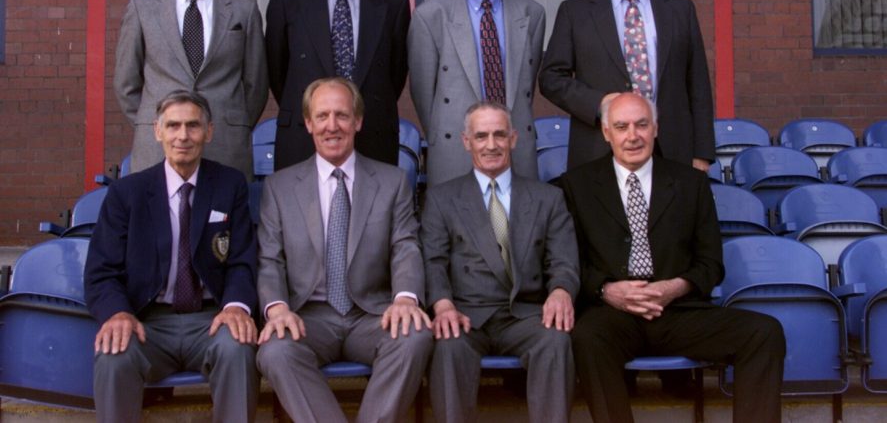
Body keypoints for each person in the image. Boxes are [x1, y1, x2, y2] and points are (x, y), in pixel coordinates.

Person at [561, 92, 785, 423]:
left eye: (641, 125)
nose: (632, 136)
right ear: (607, 132)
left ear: (655, 128)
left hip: (678, 311)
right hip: (612, 313)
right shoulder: (575, 186)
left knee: (765, 332)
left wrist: (674, 288)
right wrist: (608, 291)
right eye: (621, 127)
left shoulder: (691, 183)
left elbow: (711, 264)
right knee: (586, 337)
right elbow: (568, 261)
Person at [255, 77, 433, 423]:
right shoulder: (279, 187)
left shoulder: (392, 181)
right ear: (308, 123)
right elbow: (269, 259)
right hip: (309, 315)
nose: (332, 126)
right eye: (322, 116)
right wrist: (277, 309)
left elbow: (405, 246)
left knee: (414, 337)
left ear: (358, 121)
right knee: (276, 351)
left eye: (341, 115)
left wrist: (406, 299)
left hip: (373, 314)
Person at [85, 90, 259, 423]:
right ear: (157, 130)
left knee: (237, 347)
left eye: (193, 126)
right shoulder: (127, 193)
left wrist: (236, 307)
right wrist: (118, 313)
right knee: (113, 353)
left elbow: (241, 260)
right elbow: (101, 271)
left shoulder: (229, 185)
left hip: (210, 319)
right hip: (147, 322)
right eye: (174, 125)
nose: (183, 136)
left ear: (208, 132)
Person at [420, 101, 579, 423]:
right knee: (447, 346)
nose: (491, 145)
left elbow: (563, 260)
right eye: (481, 136)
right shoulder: (441, 198)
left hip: (524, 314)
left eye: (499, 135)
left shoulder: (548, 198)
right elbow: (432, 261)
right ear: (467, 142)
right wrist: (443, 306)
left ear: (514, 139)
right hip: (465, 313)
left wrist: (561, 290)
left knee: (554, 340)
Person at [540, 0, 714, 173]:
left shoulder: (680, 10)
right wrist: (599, 104)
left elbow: (698, 86)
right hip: (599, 149)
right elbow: (551, 78)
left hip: (672, 151)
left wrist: (702, 154)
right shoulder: (574, 13)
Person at [114, 0, 268, 179]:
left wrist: (231, 123)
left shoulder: (244, 9)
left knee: (225, 222)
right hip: (158, 149)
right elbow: (127, 85)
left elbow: (256, 86)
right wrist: (160, 126)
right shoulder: (142, 7)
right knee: (158, 221)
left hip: (225, 146)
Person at [265, 0, 410, 170]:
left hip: (373, 138)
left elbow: (394, 75)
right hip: (303, 137)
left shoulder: (393, 3)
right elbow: (278, 73)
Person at [409, 0, 545, 186]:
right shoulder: (431, 15)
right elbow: (423, 94)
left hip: (516, 148)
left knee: (517, 226)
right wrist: (442, 135)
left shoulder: (531, 13)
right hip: (454, 150)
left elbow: (525, 86)